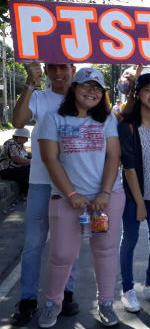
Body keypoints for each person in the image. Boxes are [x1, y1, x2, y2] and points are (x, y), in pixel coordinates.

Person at [36, 68, 124, 328]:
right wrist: (72, 194)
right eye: (86, 86)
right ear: (74, 88)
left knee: (106, 251)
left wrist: (105, 192)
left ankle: (106, 303)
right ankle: (53, 303)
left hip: (107, 198)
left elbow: (113, 157)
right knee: (62, 254)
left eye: (98, 88)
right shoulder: (53, 119)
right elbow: (49, 159)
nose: (92, 91)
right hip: (66, 199)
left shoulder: (107, 120)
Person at [10, 63, 79, 326]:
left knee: (68, 244)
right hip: (40, 181)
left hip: (72, 184)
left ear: (73, 68)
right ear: (46, 70)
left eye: (63, 67)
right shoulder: (39, 97)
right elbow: (17, 121)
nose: (58, 73)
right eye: (52, 68)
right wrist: (29, 83)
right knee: (33, 243)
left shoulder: (84, 95)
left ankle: (66, 293)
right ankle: (28, 299)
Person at [118, 73, 150, 312]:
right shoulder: (127, 126)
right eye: (148, 90)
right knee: (129, 240)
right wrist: (139, 202)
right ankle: (127, 289)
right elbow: (128, 166)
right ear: (138, 94)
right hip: (134, 195)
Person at [0, 128, 31, 196]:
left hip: (16, 168)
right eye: (26, 138)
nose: (27, 140)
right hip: (6, 170)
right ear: (19, 137)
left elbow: (25, 157)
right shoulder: (11, 143)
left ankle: (27, 192)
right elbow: (17, 159)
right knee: (24, 171)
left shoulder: (21, 144)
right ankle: (24, 193)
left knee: (29, 169)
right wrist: (32, 162)